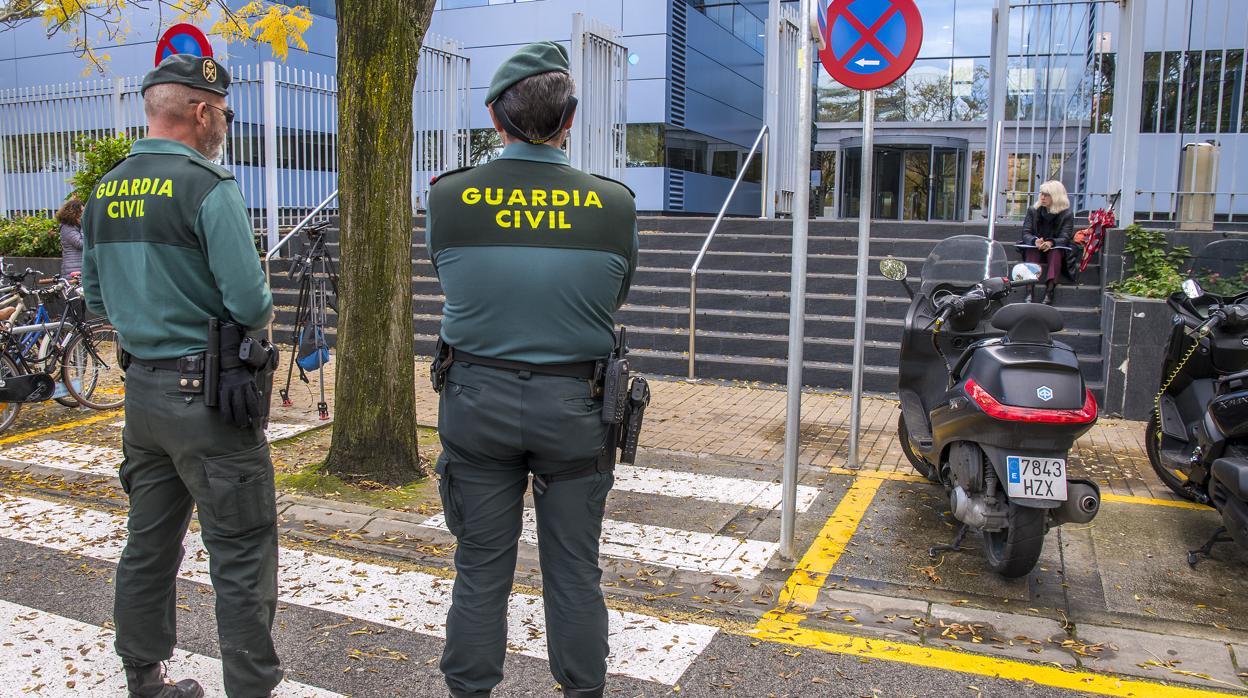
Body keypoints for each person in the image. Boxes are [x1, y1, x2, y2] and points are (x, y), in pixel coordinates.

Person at [426, 41, 639, 698]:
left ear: (496, 117)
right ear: (569, 118)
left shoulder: (449, 198)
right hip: (576, 407)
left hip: (476, 402)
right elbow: (617, 293)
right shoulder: (614, 205)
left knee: (480, 570)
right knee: (575, 573)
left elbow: (449, 276)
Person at [80, 54, 279, 698]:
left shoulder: (105, 190)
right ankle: (249, 687)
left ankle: (144, 677)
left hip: (142, 400)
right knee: (241, 550)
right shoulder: (207, 187)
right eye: (221, 112)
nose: (223, 122)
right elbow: (250, 303)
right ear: (200, 111)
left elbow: (95, 302)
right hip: (211, 401)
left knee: (149, 544)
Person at [1018, 180, 1074, 305]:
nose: (1042, 197)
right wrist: (1035, 241)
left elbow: (1065, 237)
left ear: (1056, 196)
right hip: (1037, 246)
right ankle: (1029, 290)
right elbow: (1026, 233)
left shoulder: (1067, 214)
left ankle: (1050, 290)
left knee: (1056, 252)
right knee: (1031, 249)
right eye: (1041, 194)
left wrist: (1050, 243)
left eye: (1047, 195)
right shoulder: (1033, 210)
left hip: (1054, 247)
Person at [55, 195, 84, 276]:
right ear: (74, 212)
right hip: (72, 270)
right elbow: (80, 244)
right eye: (82, 211)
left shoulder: (76, 226)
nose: (84, 214)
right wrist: (84, 225)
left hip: (79, 268)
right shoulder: (67, 227)